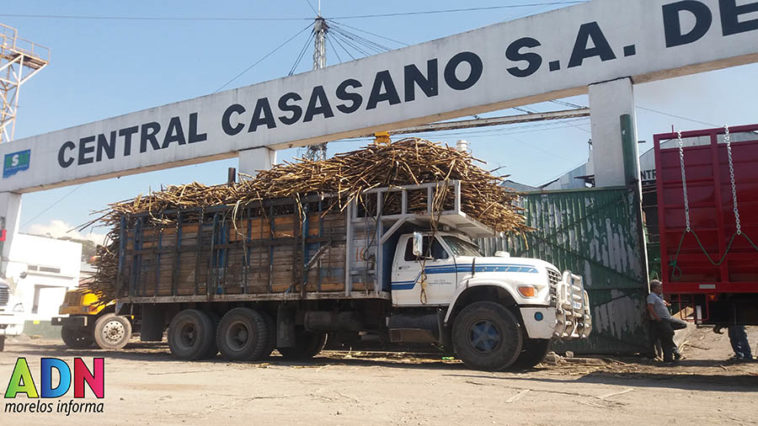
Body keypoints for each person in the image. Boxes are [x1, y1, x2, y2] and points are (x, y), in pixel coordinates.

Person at [647, 280, 687, 362]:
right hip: (662, 320)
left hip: (667, 319)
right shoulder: (651, 296)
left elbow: (660, 303)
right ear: (654, 288)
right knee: (668, 335)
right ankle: (672, 355)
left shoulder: (658, 296)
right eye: (659, 287)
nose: (661, 288)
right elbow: (650, 307)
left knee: (681, 325)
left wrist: (665, 303)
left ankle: (673, 354)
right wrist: (657, 318)